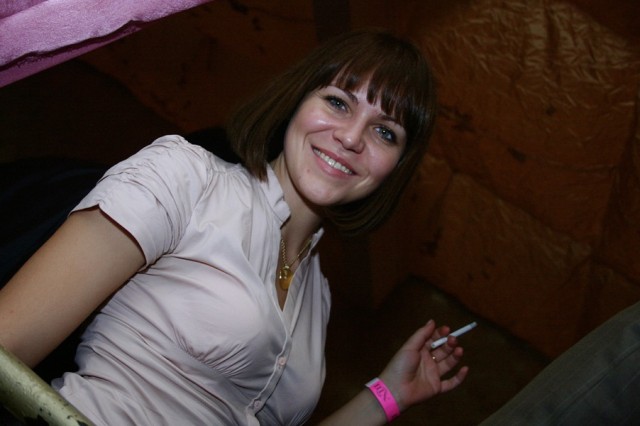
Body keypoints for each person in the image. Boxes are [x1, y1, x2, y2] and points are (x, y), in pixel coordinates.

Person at [0, 29, 468, 425]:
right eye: (338, 102)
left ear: (396, 168)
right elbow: (6, 346)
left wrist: (387, 395)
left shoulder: (317, 297)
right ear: (298, 99)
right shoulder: (185, 177)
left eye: (385, 132)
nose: (350, 137)